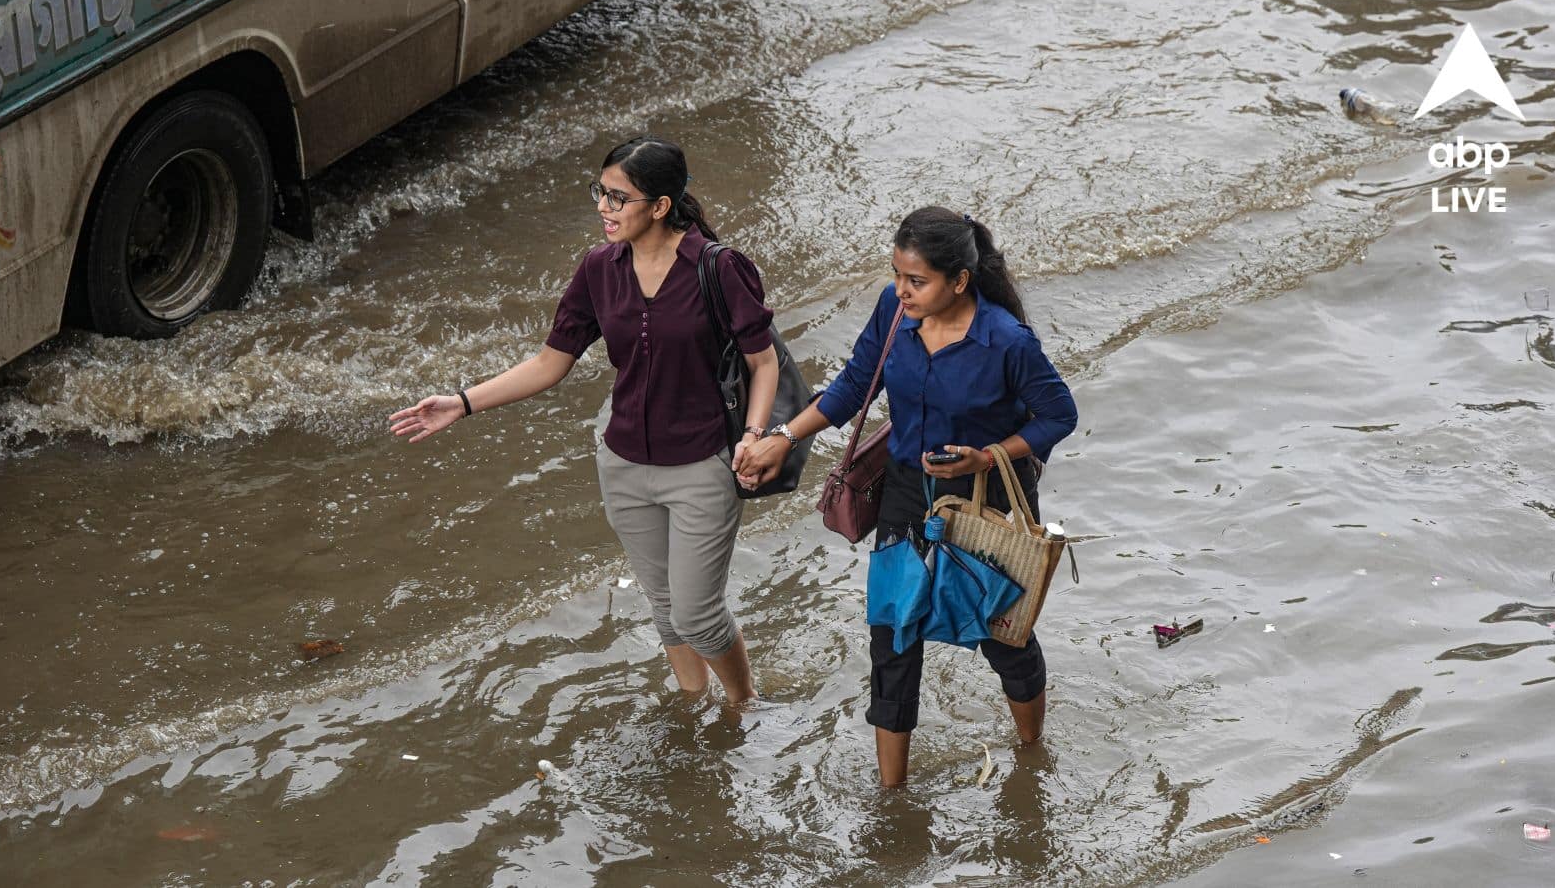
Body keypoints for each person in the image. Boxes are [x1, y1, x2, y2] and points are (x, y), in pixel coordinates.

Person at [390, 136, 779, 703]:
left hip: (703, 464)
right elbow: (551, 363)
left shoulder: (719, 268)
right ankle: (694, 701)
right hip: (623, 466)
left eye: (618, 198)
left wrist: (754, 435)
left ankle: (743, 703)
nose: (603, 206)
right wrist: (463, 401)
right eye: (600, 192)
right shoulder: (599, 268)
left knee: (697, 612)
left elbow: (762, 363)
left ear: (661, 206)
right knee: (666, 608)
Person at [739, 206, 1077, 785]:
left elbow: (1058, 414)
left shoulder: (1006, 341)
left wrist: (989, 455)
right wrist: (783, 437)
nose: (901, 291)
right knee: (893, 634)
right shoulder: (894, 314)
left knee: (1000, 630)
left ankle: (1031, 752)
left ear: (960, 281)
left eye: (916, 281)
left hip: (987, 495)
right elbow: (853, 387)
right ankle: (891, 792)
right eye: (897, 275)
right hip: (905, 492)